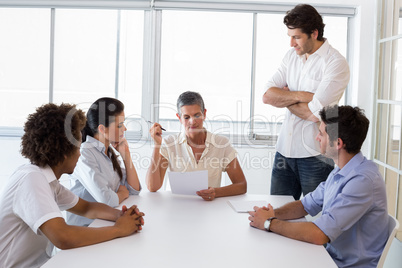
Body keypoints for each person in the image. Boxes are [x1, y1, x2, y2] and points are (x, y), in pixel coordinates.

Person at [0, 103, 144, 268]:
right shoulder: (32, 179)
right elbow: (63, 236)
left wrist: (123, 216)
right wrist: (118, 230)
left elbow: (87, 208)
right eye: (77, 144)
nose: (79, 151)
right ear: (63, 149)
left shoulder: (48, 181)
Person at [248, 105, 388, 268]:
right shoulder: (341, 171)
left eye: (321, 133)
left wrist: (269, 223)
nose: (317, 138)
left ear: (338, 143)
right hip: (328, 256)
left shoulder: (363, 181)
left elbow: (319, 234)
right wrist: (273, 213)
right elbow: (305, 205)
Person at [262, 4, 350, 200]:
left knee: (316, 219)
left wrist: (284, 97)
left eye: (297, 37)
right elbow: (267, 96)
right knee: (277, 212)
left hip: (316, 155)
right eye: (290, 37)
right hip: (284, 151)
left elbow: (313, 114)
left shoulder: (336, 63)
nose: (291, 43)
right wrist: (302, 96)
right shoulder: (291, 56)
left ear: (314, 33)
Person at [146, 91, 247, 200]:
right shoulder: (169, 143)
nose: (192, 121)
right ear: (179, 118)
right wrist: (157, 145)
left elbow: (241, 185)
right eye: (186, 117)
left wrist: (216, 192)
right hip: (178, 208)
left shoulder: (222, 143)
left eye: (197, 115)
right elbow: (152, 187)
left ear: (204, 114)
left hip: (210, 209)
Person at [67, 97, 141, 226]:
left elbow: (134, 189)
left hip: (105, 222)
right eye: (119, 125)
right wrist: (121, 194)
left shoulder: (108, 152)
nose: (125, 129)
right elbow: (106, 200)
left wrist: (126, 155)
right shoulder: (85, 153)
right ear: (102, 129)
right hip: (86, 227)